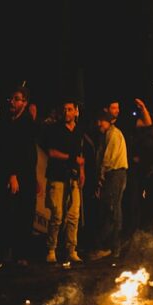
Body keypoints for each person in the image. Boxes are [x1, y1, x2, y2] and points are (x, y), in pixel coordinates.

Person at [0, 86, 39, 266]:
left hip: (25, 175)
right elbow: (7, 151)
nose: (12, 102)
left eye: (16, 99)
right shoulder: (7, 122)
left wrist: (33, 177)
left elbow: (28, 153)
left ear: (24, 102)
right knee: (10, 213)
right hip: (14, 174)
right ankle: (8, 251)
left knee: (25, 213)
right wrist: (12, 174)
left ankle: (22, 253)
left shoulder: (27, 123)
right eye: (11, 99)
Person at [42, 99, 85, 264]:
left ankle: (71, 249)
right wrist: (72, 159)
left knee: (74, 215)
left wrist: (82, 172)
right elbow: (52, 152)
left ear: (75, 111)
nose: (67, 112)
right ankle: (51, 249)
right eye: (64, 109)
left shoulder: (79, 131)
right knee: (57, 215)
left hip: (72, 177)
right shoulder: (55, 130)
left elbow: (81, 156)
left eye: (70, 109)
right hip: (57, 176)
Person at [89, 109, 128, 260]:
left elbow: (108, 158)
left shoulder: (112, 134)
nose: (99, 124)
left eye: (101, 121)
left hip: (115, 174)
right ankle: (113, 247)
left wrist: (101, 175)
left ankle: (106, 247)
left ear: (108, 121)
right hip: (116, 174)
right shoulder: (111, 134)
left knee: (111, 210)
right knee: (113, 210)